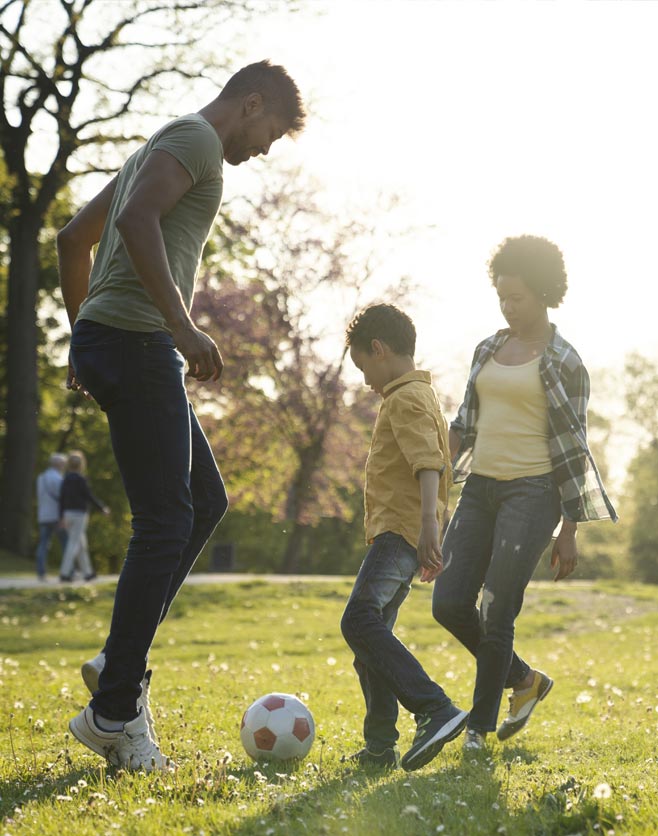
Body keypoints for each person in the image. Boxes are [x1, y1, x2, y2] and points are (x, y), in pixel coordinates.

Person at [57, 60, 306, 771]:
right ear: (251, 103)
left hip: (115, 341)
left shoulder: (153, 150)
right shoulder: (197, 141)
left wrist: (82, 338)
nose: (264, 149)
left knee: (205, 501)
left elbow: (73, 238)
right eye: (270, 133)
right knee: (167, 519)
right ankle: (112, 709)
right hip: (137, 342)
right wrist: (182, 325)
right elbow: (133, 223)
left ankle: (118, 658)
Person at [432, 235, 617, 752]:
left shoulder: (565, 360)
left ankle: (477, 730)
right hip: (480, 490)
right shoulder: (487, 348)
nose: (508, 307)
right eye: (501, 298)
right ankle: (525, 680)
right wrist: (437, 486)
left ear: (542, 293)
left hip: (534, 494)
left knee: (497, 609)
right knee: (448, 603)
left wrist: (569, 530)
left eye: (517, 297)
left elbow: (574, 448)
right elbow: (463, 422)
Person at [341, 303, 469, 772]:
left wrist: (430, 530)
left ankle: (434, 708)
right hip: (399, 533)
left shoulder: (404, 398)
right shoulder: (419, 395)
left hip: (399, 533)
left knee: (358, 622)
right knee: (371, 644)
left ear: (379, 350)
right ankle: (379, 748)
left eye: (363, 367)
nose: (366, 381)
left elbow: (429, 462)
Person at [58, 451, 110, 582]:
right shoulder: (81, 480)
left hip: (68, 514)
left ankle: (87, 573)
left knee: (81, 544)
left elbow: (61, 499)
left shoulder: (65, 480)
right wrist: (102, 508)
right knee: (74, 543)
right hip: (79, 515)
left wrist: (61, 517)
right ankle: (65, 573)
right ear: (81, 465)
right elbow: (89, 496)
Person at [35, 453, 68, 580]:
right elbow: (62, 499)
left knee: (43, 544)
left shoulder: (41, 477)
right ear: (59, 465)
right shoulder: (58, 479)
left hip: (43, 515)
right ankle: (67, 571)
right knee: (65, 543)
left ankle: (41, 572)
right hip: (56, 516)